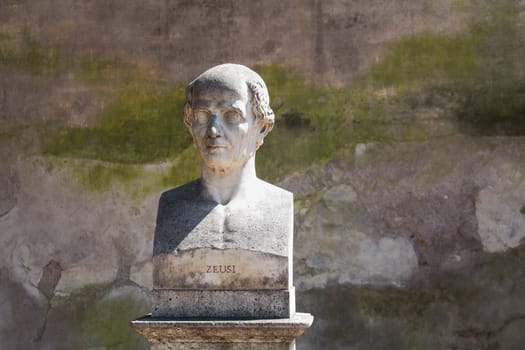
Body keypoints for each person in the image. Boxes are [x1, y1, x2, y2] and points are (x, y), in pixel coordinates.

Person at [153, 64, 292, 258]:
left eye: (232, 116)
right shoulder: (172, 205)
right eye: (202, 116)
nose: (213, 130)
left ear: (261, 127)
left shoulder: (278, 206)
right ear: (190, 125)